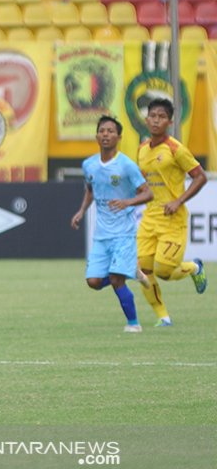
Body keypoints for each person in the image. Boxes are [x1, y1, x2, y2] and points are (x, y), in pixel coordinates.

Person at [71, 116, 153, 333]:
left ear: (119, 137)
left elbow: (148, 193)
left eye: (110, 131)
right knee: (94, 282)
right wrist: (81, 211)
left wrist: (128, 202)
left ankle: (133, 324)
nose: (106, 134)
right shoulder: (88, 165)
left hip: (124, 233)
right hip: (102, 235)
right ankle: (130, 272)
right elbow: (91, 189)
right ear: (97, 135)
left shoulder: (127, 165)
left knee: (116, 280)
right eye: (102, 131)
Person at [136, 98, 208, 327]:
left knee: (164, 271)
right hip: (150, 218)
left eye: (161, 117)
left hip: (172, 219)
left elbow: (201, 177)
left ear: (169, 121)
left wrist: (178, 201)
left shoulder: (176, 149)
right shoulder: (141, 149)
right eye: (153, 116)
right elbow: (144, 182)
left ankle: (194, 267)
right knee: (142, 270)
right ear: (146, 120)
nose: (156, 120)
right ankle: (163, 317)